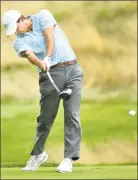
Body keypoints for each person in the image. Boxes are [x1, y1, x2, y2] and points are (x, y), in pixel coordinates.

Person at [2, 9, 83, 173]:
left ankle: (68, 159)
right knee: (45, 119)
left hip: (73, 69)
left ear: (22, 19)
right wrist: (40, 63)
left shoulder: (43, 16)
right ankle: (38, 154)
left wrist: (47, 56)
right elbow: (29, 55)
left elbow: (49, 37)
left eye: (16, 27)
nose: (16, 32)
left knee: (72, 115)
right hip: (50, 75)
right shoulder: (18, 42)